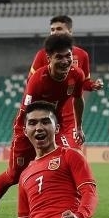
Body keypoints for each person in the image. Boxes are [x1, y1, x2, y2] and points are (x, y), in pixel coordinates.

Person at [0, 33, 104, 218]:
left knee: (64, 163)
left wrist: (79, 127)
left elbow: (78, 99)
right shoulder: (38, 80)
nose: (65, 61)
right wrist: (28, 134)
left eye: (68, 56)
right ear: (49, 59)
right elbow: (26, 113)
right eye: (59, 57)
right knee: (14, 176)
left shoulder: (76, 74)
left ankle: (63, 212)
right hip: (27, 127)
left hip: (54, 126)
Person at [28, 15, 92, 147]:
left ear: (70, 31)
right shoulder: (42, 55)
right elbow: (32, 84)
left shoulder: (82, 55)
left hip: (69, 117)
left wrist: (92, 85)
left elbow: (84, 85)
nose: (55, 32)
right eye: (52, 30)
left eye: (59, 29)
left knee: (73, 153)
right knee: (51, 154)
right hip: (48, 114)